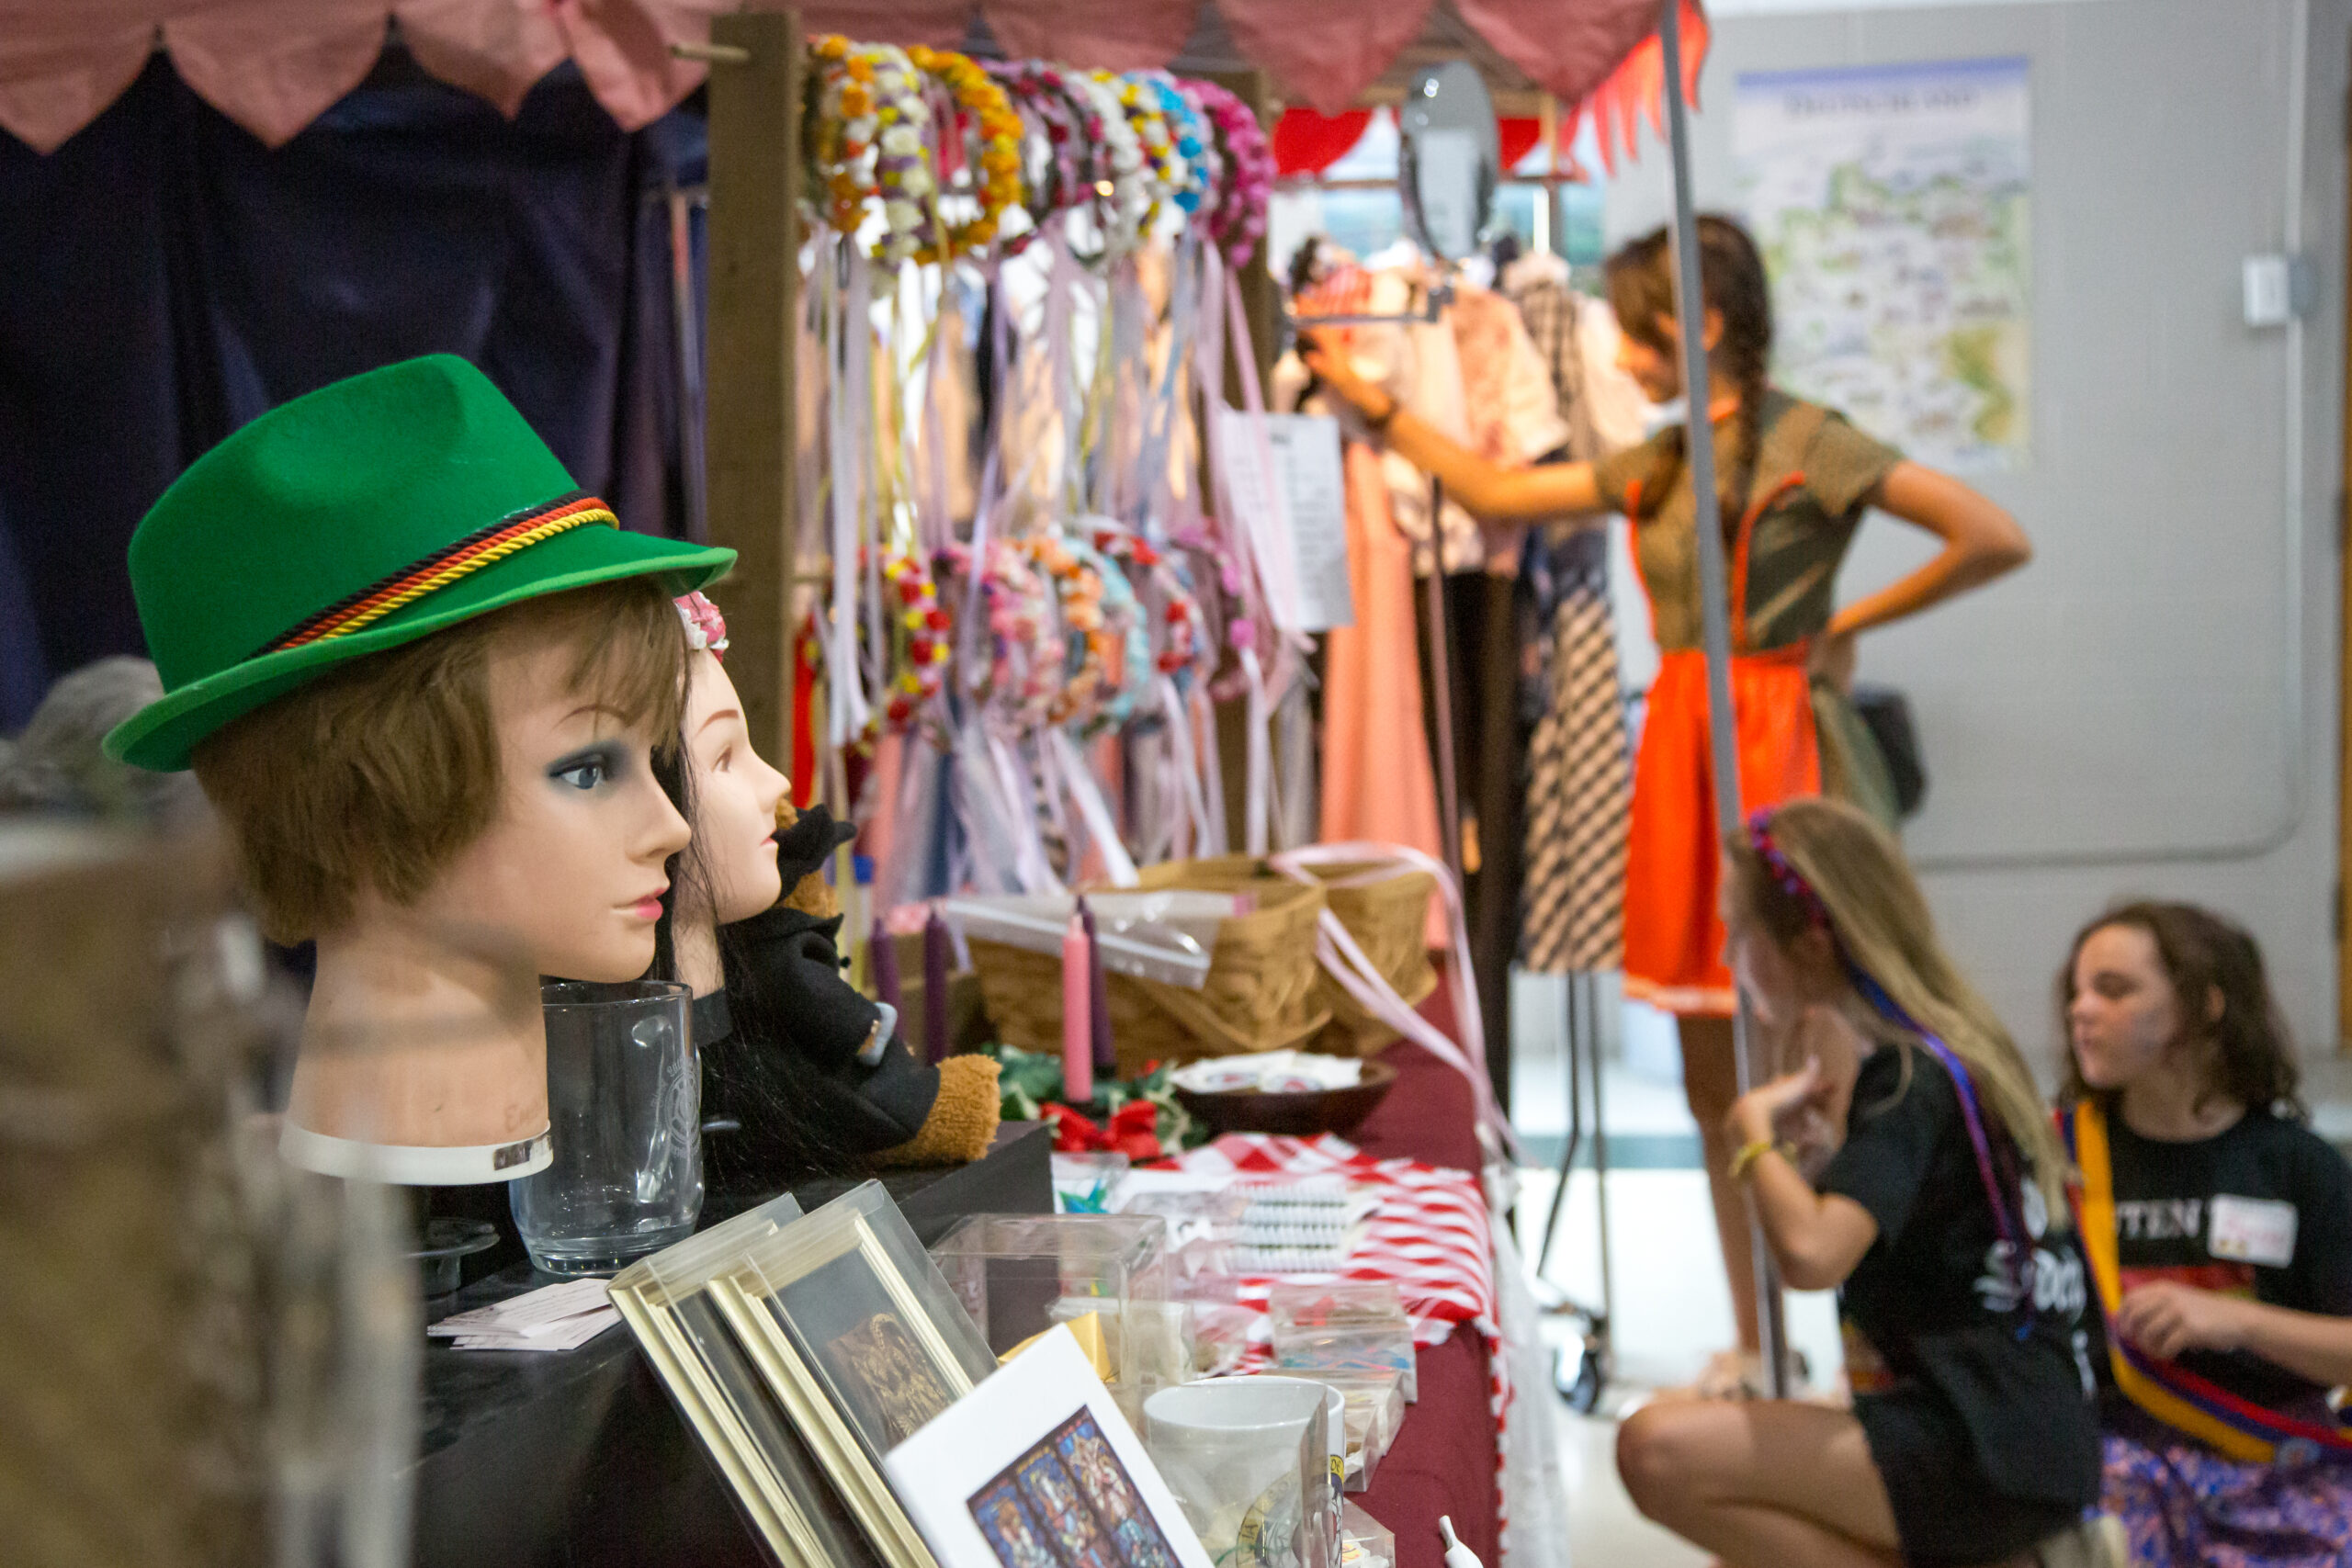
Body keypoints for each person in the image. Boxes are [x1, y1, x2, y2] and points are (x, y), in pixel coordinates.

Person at [1302, 215, 2033, 1391]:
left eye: (1638, 332)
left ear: (1701, 323)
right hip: (1686, 744)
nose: (1621, 355)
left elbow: (1990, 536)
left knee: (1829, 1050)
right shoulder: (1664, 459)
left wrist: (1841, 625)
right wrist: (1372, 404)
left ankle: (1863, 1340)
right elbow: (1493, 486)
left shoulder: (1810, 442)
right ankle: (1755, 1338)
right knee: (1709, 1075)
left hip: (1781, 746)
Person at [1615, 797, 2114, 1568]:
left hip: (1987, 1442)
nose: (1730, 959)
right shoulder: (1940, 1051)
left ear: (1811, 945)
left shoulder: (1907, 1080)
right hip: (2017, 1425)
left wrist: (1749, 1134)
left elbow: (1812, 1256)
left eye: (1740, 933)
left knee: (1654, 1449)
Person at [2059, 903, 2352, 1562]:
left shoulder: (2298, 1164)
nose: (2081, 1010)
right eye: (2076, 992)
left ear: (2202, 1007)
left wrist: (2238, 1322)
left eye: (2113, 989)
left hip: (2275, 1454)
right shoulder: (2058, 1160)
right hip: (2117, 1458)